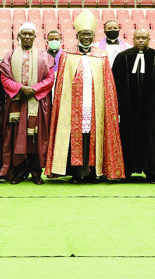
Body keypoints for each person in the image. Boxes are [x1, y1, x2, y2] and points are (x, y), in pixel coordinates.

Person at [45, 10, 125, 183]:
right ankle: (77, 173)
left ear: (93, 34)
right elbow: (61, 85)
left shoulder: (101, 56)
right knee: (76, 136)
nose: (86, 37)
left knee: (92, 136)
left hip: (95, 104)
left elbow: (108, 86)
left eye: (89, 34)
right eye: (83, 34)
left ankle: (93, 172)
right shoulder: (67, 55)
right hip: (72, 105)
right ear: (78, 35)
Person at [0, 22, 55, 184]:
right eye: (24, 34)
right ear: (19, 36)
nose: (27, 37)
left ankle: (36, 172)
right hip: (17, 103)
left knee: (36, 138)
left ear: (35, 37)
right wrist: (21, 89)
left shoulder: (45, 57)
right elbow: (4, 78)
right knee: (16, 137)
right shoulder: (9, 56)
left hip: (38, 102)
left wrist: (34, 89)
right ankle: (18, 172)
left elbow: (50, 79)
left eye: (30, 34)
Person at [112, 29, 155, 183]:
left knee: (151, 141)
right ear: (133, 39)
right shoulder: (122, 58)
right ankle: (127, 171)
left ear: (149, 39)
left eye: (144, 38)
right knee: (128, 138)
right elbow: (114, 84)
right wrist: (117, 108)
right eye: (137, 38)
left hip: (151, 111)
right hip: (128, 110)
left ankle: (150, 172)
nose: (140, 40)